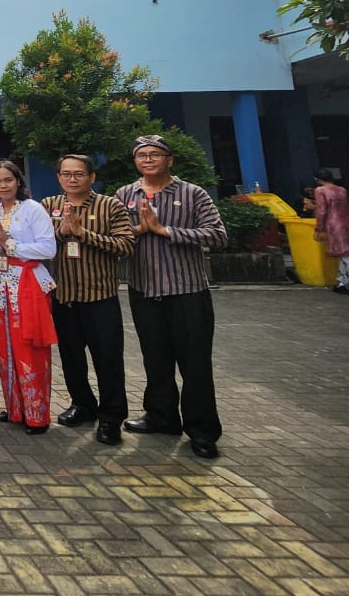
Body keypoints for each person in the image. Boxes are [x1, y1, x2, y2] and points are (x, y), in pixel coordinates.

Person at [114, 135, 227, 460]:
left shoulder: (193, 193)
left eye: (155, 154)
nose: (149, 160)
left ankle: (202, 431)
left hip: (187, 291)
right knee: (155, 359)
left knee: (195, 364)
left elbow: (218, 236)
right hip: (144, 290)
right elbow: (116, 237)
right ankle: (161, 417)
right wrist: (139, 230)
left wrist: (165, 231)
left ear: (169, 160)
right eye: (142, 155)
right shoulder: (125, 195)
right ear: (135, 162)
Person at [40, 154, 136, 445]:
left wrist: (84, 234)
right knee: (71, 358)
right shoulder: (48, 206)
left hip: (100, 297)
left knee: (108, 360)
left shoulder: (110, 205)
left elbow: (126, 245)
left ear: (92, 177)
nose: (72, 179)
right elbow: (39, 243)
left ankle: (111, 418)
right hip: (64, 297)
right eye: (66, 174)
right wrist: (61, 233)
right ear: (58, 177)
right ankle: (82, 405)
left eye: (79, 174)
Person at [0, 159, 58, 434]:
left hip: (27, 285)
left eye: (8, 180)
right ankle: (15, 408)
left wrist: (10, 245)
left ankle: (37, 414)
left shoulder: (33, 209)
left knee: (30, 348)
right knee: (5, 349)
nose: (3, 185)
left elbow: (48, 249)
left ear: (18, 181)